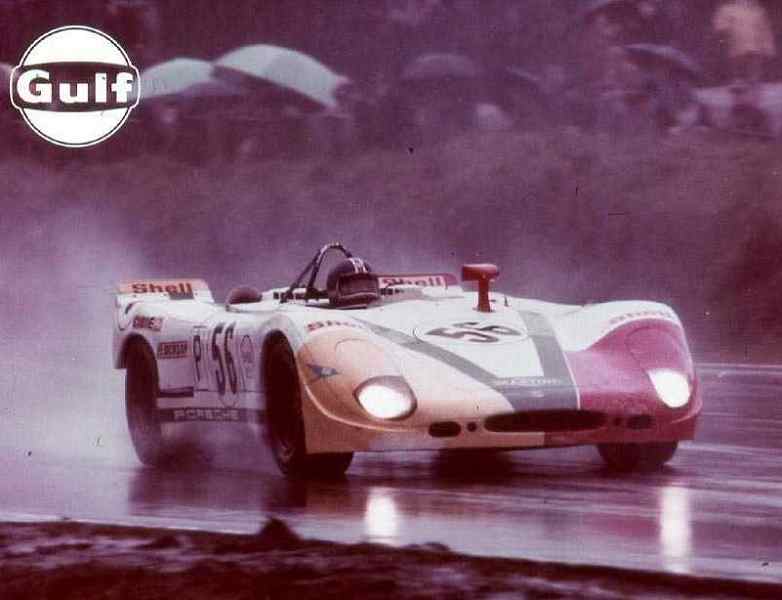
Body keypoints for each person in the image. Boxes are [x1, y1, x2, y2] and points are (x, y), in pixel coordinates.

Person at [713, 0, 777, 83]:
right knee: (737, 62)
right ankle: (737, 79)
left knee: (754, 61)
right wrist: (725, 31)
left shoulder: (757, 10)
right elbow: (721, 27)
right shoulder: (727, 9)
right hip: (736, 43)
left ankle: (753, 81)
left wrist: (767, 45)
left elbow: (765, 29)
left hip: (755, 43)